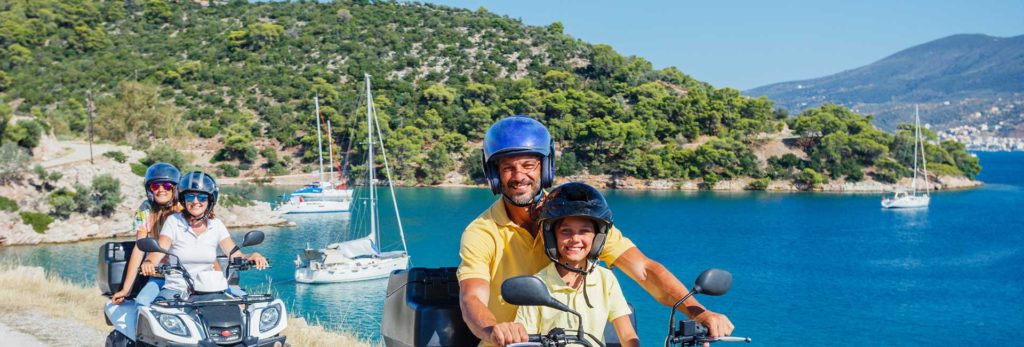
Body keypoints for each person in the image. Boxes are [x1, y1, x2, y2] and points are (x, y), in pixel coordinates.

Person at [458, 116, 734, 346]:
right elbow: (472, 297)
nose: (519, 176)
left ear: (545, 168)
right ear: (494, 174)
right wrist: (495, 329)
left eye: (529, 165)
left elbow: (646, 271)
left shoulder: (576, 218)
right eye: (508, 168)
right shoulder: (482, 232)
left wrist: (701, 313)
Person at [513, 182, 638, 347]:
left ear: (597, 238)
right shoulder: (537, 285)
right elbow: (525, 340)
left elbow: (627, 334)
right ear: (552, 237)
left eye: (584, 231)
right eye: (566, 231)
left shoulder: (605, 280)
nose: (575, 239)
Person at [140, 171, 268, 302]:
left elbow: (235, 254)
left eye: (201, 197)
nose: (195, 202)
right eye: (190, 197)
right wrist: (149, 262)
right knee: (159, 310)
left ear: (210, 200)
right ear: (184, 200)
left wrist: (252, 256)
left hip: (209, 287)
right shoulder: (174, 222)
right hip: (177, 289)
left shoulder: (216, 225)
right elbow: (159, 249)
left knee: (247, 305)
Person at [110, 162, 181, 305]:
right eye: (155, 186)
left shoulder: (184, 209)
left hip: (187, 274)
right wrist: (126, 289)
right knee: (142, 303)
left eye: (167, 186)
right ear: (149, 190)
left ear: (175, 188)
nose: (161, 190)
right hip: (159, 276)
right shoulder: (145, 210)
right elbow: (140, 248)